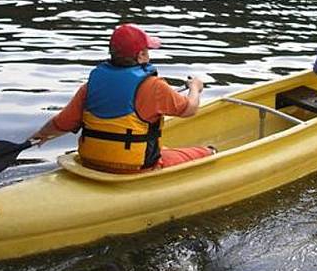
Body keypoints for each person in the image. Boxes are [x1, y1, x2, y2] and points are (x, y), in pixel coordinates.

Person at [30, 23, 215, 172]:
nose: (149, 54)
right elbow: (190, 109)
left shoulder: (91, 86)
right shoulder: (155, 87)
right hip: (136, 168)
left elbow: (61, 123)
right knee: (207, 153)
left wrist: (42, 135)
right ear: (141, 55)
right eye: (147, 50)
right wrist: (195, 88)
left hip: (90, 162)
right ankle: (212, 153)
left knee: (164, 149)